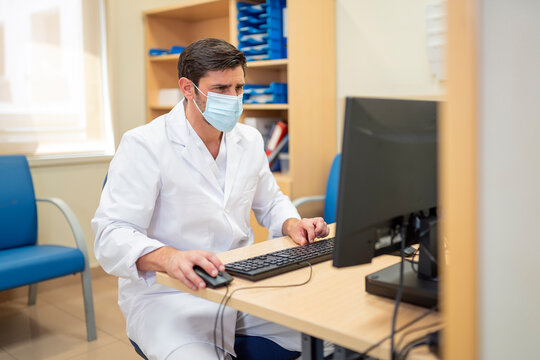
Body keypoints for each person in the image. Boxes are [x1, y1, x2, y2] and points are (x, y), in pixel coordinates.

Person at [92, 38, 330, 359]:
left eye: (239, 88)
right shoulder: (144, 145)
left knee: (332, 337)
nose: (233, 99)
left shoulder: (248, 139)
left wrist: (292, 223)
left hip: (242, 284)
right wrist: (170, 257)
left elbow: (271, 202)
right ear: (187, 88)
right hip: (170, 295)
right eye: (220, 89)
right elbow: (111, 235)